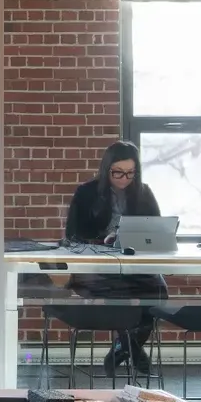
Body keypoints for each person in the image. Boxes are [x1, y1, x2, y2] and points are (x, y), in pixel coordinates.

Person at [63, 141, 167, 376]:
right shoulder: (86, 193)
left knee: (159, 292)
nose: (124, 178)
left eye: (130, 173)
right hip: (96, 267)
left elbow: (157, 230)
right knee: (119, 293)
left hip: (133, 265)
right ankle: (133, 349)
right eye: (118, 172)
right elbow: (72, 234)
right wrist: (103, 239)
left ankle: (124, 347)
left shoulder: (144, 193)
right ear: (106, 169)